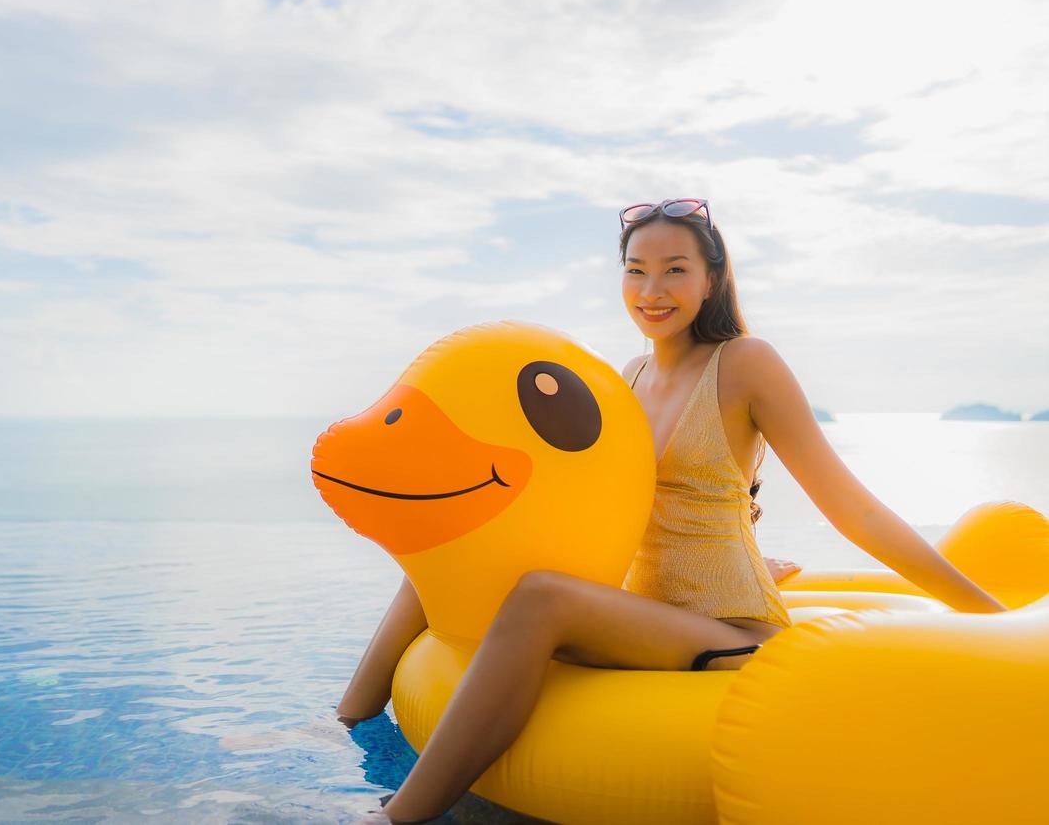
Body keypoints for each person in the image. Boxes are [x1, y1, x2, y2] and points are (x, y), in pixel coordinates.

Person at [340, 197, 1009, 824]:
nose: (652, 290)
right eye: (636, 271)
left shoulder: (745, 363)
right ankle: (346, 719)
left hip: (729, 630)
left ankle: (399, 815)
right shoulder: (627, 377)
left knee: (540, 597)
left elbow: (852, 509)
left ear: (712, 280)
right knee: (460, 550)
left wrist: (989, 616)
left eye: (675, 270)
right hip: (649, 615)